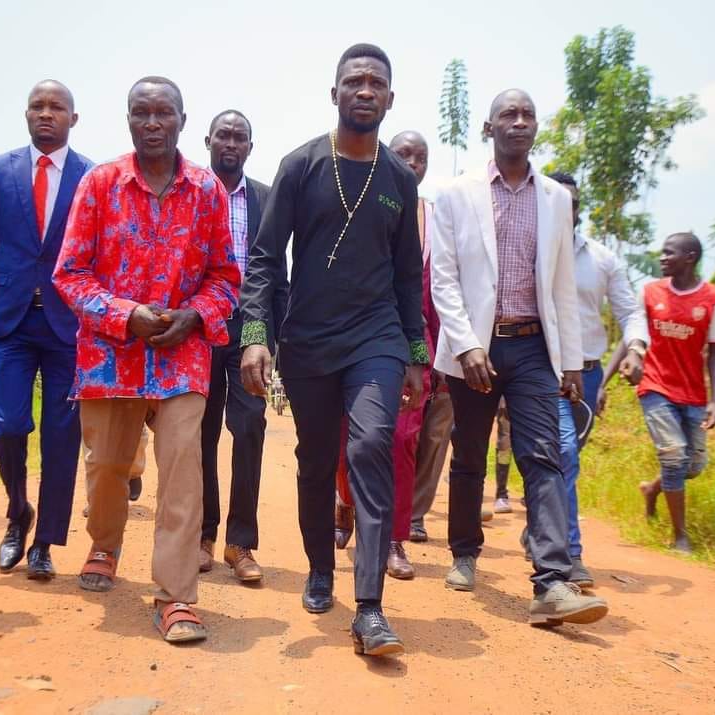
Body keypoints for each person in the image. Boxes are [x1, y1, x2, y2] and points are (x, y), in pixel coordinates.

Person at [240, 44, 427, 657]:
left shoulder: (399, 180)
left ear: (390, 98)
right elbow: (265, 259)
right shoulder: (301, 166)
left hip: (376, 337)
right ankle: (320, 566)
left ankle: (370, 607)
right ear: (335, 94)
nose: (365, 90)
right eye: (354, 81)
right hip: (309, 340)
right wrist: (256, 337)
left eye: (377, 83)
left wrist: (416, 355)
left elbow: (408, 277)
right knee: (317, 460)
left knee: (370, 445)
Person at [53, 76, 238, 644]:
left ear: (183, 119)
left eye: (164, 113)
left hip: (182, 356)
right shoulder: (99, 183)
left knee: (182, 470)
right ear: (128, 120)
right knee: (108, 464)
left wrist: (195, 315)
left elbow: (226, 277)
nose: (152, 123)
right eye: (141, 113)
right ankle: (104, 543)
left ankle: (175, 596)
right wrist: (122, 314)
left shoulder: (208, 190)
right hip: (110, 357)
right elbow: (70, 274)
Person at [430, 88, 608, 626]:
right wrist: (467, 344)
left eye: (528, 114)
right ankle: (465, 552)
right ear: (489, 128)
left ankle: (551, 580)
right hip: (476, 347)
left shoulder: (554, 198)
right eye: (508, 114)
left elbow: (561, 285)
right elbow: (444, 279)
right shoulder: (455, 194)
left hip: (533, 346)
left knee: (543, 454)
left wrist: (571, 361)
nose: (520, 121)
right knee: (469, 455)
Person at [0, 80, 93, 580]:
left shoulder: (92, 176)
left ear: (74, 118)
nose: (46, 114)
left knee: (61, 437)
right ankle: (17, 512)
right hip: (9, 320)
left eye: (56, 107)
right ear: (26, 114)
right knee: (8, 426)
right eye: (37, 106)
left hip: (67, 325)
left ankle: (45, 542)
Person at [333, 129, 433, 579]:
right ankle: (346, 501)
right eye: (402, 154)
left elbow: (434, 291)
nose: (411, 163)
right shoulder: (356, 199)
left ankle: (395, 539)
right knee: (349, 438)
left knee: (401, 440)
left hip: (410, 343)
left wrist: (429, 355)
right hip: (352, 338)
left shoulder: (436, 219)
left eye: (420, 157)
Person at [543, 171, 649, 585]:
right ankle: (569, 553)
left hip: (586, 376)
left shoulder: (603, 260)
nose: (563, 209)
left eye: (571, 203)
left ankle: (541, 529)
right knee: (564, 452)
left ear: (578, 210)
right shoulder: (529, 252)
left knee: (565, 460)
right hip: (542, 371)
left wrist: (636, 349)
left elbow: (630, 311)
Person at [199, 109, 286, 583]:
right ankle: (202, 535)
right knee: (201, 431)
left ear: (250, 147)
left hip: (251, 331)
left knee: (250, 426)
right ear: (208, 141)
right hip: (200, 328)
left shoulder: (266, 198)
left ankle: (240, 543)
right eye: (223, 136)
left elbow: (275, 273)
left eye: (240, 137)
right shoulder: (191, 191)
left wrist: (278, 339)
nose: (231, 143)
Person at [621, 232, 715, 553]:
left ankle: (652, 489)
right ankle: (680, 536)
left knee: (693, 464)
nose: (662, 257)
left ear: (690, 257)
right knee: (672, 454)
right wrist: (619, 368)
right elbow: (633, 336)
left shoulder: (714, 298)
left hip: (693, 393)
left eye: (670, 253)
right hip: (655, 386)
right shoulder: (650, 292)